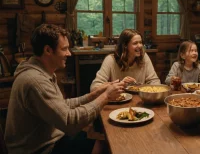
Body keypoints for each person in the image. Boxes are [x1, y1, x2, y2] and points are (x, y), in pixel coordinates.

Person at [4, 24, 124, 154]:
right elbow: (70, 122)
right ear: (48, 50)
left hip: (53, 138)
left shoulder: (43, 72)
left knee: (100, 137)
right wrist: (105, 96)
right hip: (39, 149)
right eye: (64, 49)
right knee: (105, 144)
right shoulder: (35, 81)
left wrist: (95, 94)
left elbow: (62, 105)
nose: (69, 53)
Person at [90, 29, 160, 91]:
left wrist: (139, 86)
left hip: (139, 101)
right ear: (125, 46)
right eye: (135, 43)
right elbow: (94, 87)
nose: (140, 46)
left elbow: (154, 81)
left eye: (140, 42)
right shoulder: (110, 60)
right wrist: (119, 84)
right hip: (117, 101)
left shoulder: (144, 57)